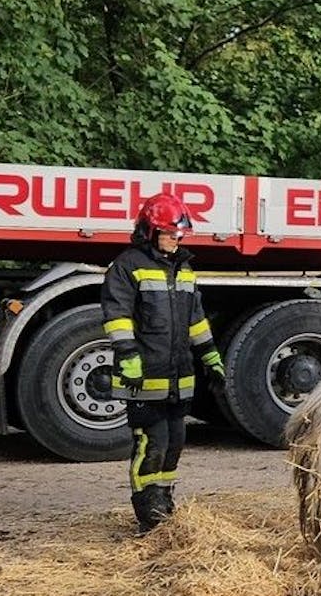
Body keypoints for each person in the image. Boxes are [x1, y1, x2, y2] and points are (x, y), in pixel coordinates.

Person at [101, 192, 226, 534]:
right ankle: (147, 508)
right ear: (149, 231)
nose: (176, 239)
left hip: (178, 376)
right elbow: (118, 314)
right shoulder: (127, 266)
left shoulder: (184, 269)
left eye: (179, 235)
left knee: (175, 441)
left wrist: (211, 357)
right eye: (170, 233)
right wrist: (126, 356)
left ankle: (164, 499)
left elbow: (196, 320)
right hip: (144, 376)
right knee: (151, 442)